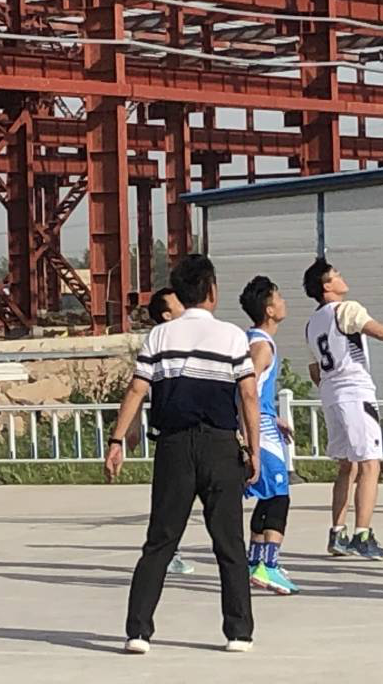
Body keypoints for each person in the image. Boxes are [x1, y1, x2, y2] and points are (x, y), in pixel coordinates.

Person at [107, 254, 261, 655]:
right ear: (211, 290)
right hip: (220, 445)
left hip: (173, 446)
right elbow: (247, 394)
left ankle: (138, 631)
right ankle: (238, 632)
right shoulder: (232, 336)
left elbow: (137, 389)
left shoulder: (160, 336)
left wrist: (117, 441)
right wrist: (253, 449)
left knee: (160, 540)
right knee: (229, 543)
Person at [303, 257, 383, 560]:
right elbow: (379, 331)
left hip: (331, 393)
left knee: (348, 465)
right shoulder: (347, 309)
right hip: (354, 390)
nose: (342, 277)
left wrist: (329, 388)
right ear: (326, 286)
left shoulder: (312, 323)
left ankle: (337, 532)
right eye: (335, 274)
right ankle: (362, 533)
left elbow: (314, 368)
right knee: (371, 463)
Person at [238, 275, 298, 595]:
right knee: (278, 497)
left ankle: (255, 563)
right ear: (270, 310)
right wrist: (251, 435)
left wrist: (273, 416)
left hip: (262, 422)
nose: (285, 302)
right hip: (258, 430)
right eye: (280, 297)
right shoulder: (261, 345)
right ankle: (269, 565)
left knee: (265, 496)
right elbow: (245, 390)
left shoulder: (250, 340)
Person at [139, 287, 195, 577]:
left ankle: (170, 550)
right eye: (178, 304)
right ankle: (166, 552)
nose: (184, 307)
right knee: (169, 499)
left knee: (180, 496)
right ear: (166, 315)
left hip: (191, 431)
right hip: (170, 429)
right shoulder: (159, 339)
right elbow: (138, 386)